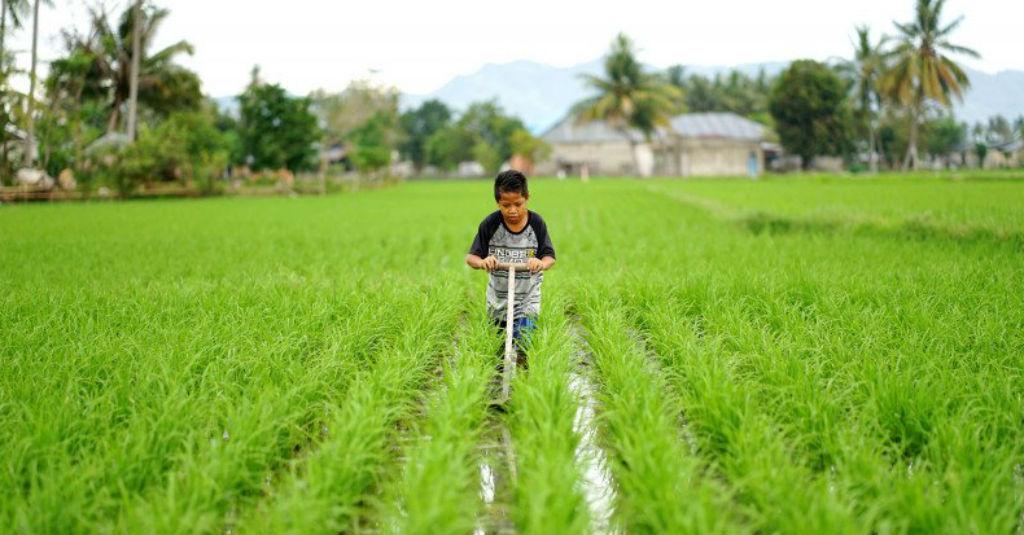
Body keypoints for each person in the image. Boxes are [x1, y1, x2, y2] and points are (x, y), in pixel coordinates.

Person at [465, 170, 556, 360]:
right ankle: (498, 383)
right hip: (498, 301)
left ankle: (523, 380)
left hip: (527, 299)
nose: (512, 210)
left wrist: (539, 262)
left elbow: (549, 257)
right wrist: (483, 262)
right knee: (498, 352)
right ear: (497, 202)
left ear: (527, 198)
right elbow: (471, 258)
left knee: (525, 346)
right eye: (506, 205)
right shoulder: (490, 224)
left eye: (518, 204)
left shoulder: (536, 224)